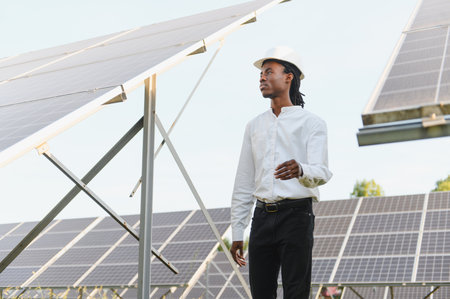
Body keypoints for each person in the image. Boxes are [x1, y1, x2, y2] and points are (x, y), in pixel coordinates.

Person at [230, 46, 332, 299]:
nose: (262, 78)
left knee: (296, 293)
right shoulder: (253, 126)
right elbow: (243, 181)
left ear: (289, 77)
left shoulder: (313, 123)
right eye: (261, 74)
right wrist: (237, 232)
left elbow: (323, 172)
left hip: (297, 216)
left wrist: (301, 170)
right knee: (261, 294)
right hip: (261, 218)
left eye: (268, 72)